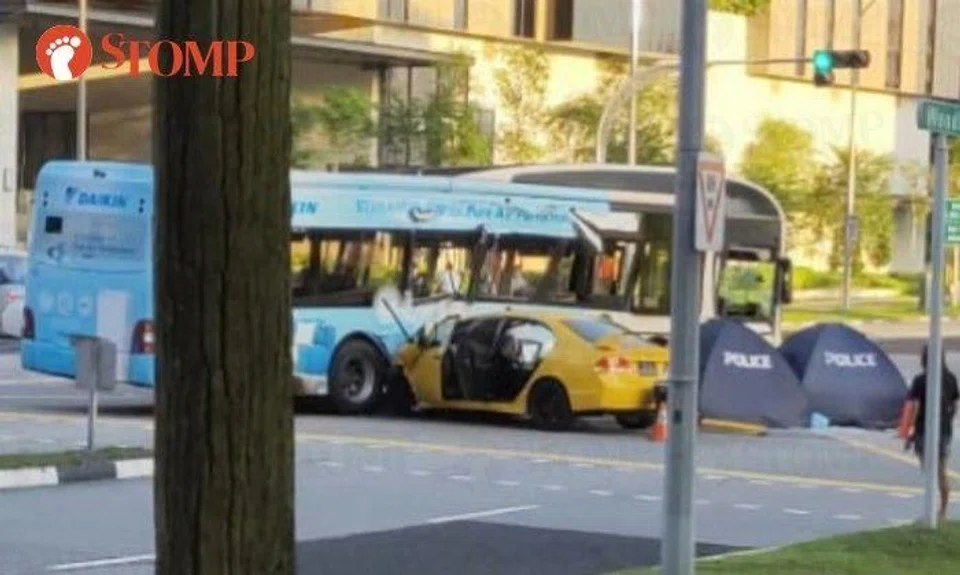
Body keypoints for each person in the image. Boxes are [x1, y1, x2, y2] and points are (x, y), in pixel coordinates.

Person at [904, 344, 960, 522]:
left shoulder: (921, 380)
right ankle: (942, 512)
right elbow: (954, 404)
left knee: (929, 470)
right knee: (941, 471)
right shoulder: (950, 378)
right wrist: (948, 421)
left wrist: (909, 432)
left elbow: (915, 408)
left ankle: (931, 512)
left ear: (924, 359)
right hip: (944, 430)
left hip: (924, 430)